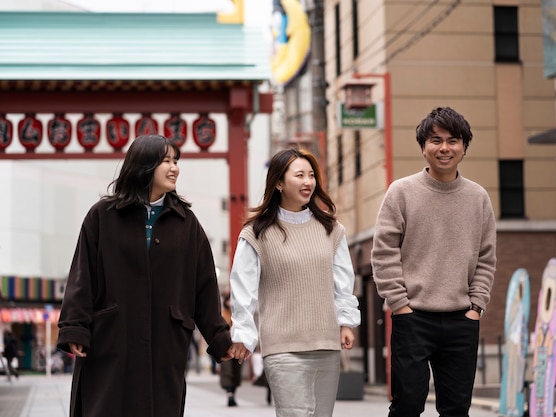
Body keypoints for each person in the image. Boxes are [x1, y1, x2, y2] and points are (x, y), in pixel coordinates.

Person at [56, 134, 233, 417]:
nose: (174, 167)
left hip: (166, 340)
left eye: (176, 161)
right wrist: (75, 327)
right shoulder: (102, 216)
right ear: (143, 164)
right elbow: (82, 275)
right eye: (166, 161)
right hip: (112, 337)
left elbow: (204, 285)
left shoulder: (186, 223)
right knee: (105, 406)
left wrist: (219, 337)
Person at [371, 106, 497, 417]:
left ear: (464, 146)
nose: (444, 148)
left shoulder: (478, 197)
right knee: (407, 405)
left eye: (453, 140)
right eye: (435, 140)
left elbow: (486, 257)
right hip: (412, 318)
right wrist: (399, 304)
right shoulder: (401, 192)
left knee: (456, 409)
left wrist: (476, 306)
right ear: (423, 147)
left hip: (461, 319)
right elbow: (384, 251)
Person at [228, 148, 361, 417]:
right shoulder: (257, 233)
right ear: (278, 182)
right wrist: (243, 334)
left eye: (311, 175)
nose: (308, 182)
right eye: (299, 175)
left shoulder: (331, 229)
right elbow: (243, 288)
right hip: (283, 346)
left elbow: (343, 282)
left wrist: (346, 321)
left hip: (325, 344)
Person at [219, 293, 242, 406]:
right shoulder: (223, 314)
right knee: (227, 371)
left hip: (238, 346)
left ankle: (233, 394)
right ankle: (229, 395)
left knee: (236, 371)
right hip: (226, 346)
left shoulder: (238, 314)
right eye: (229, 301)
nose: (230, 303)